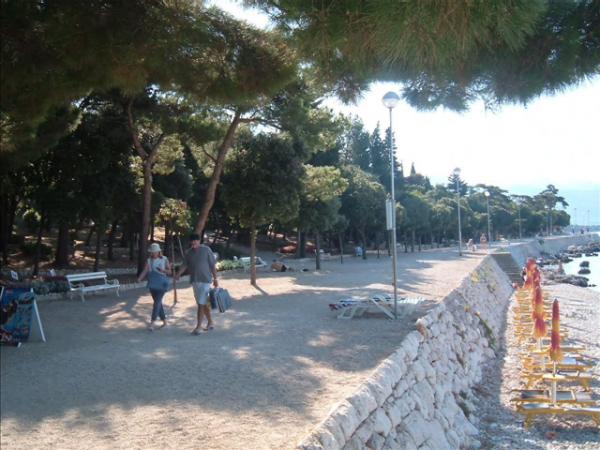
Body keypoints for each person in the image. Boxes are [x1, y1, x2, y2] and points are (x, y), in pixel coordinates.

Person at [175, 233, 218, 335]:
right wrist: (178, 274)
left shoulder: (206, 250)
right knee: (201, 303)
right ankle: (210, 322)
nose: (193, 242)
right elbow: (184, 265)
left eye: (195, 240)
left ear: (199, 241)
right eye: (192, 241)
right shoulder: (189, 253)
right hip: (195, 281)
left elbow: (212, 265)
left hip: (205, 280)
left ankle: (198, 327)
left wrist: (215, 278)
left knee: (201, 304)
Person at [138, 243, 171, 331]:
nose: (153, 253)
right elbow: (145, 270)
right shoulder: (149, 260)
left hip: (162, 284)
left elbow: (169, 271)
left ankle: (152, 323)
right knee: (158, 303)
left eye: (155, 252)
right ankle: (164, 321)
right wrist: (140, 278)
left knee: (156, 303)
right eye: (152, 252)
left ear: (158, 251)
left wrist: (163, 270)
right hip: (152, 284)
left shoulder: (164, 259)